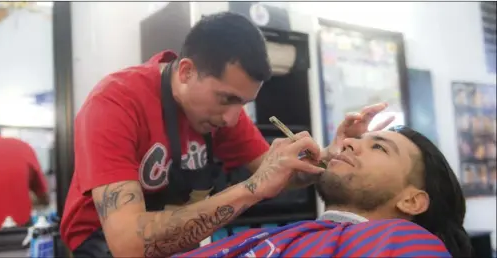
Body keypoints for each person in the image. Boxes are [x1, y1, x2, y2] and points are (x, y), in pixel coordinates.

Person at [60, 11, 392, 258]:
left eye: (244, 103)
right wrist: (252, 188)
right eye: (226, 99)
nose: (234, 118)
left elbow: (279, 173)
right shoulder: (115, 102)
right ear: (187, 71)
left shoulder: (223, 115)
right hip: (101, 244)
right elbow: (127, 245)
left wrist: (329, 156)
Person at [175, 126, 473, 258]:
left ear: (411, 200)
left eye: (379, 147)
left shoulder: (406, 240)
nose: (349, 144)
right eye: (358, 139)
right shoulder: (301, 234)